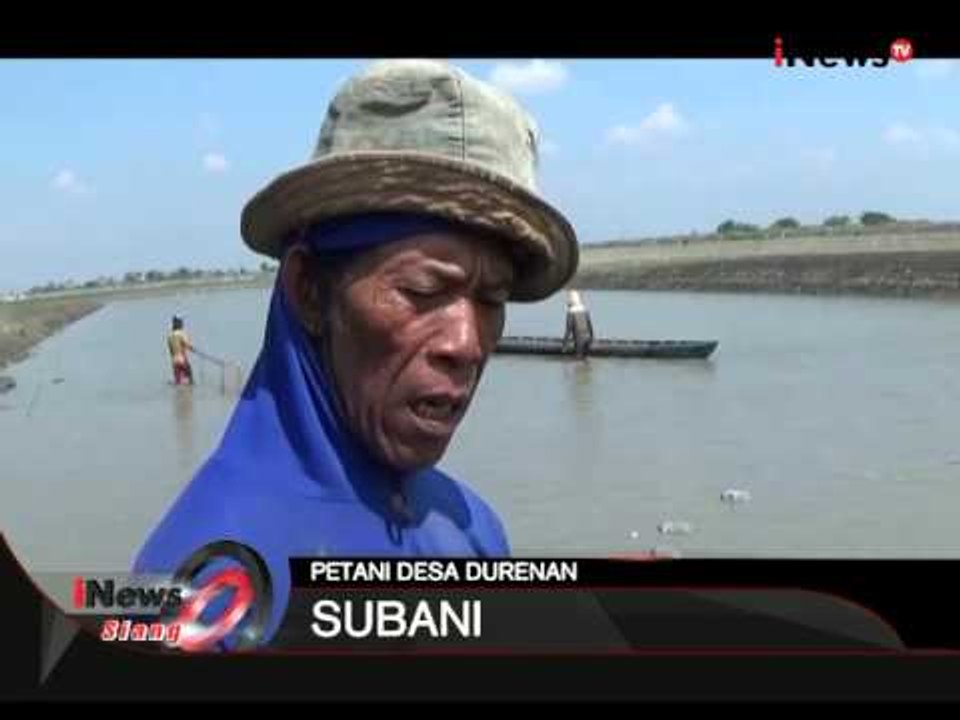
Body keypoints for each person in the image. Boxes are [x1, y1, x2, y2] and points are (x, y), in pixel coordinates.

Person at [134, 59, 579, 648]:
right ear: (310, 291)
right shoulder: (206, 592)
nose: (467, 344)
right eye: (422, 292)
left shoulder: (473, 527)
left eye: (492, 299)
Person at [562, 289, 594, 358]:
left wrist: (564, 344)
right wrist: (592, 338)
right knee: (585, 360)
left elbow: (568, 330)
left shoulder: (571, 312)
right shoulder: (584, 310)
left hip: (579, 340)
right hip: (587, 338)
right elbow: (590, 326)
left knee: (578, 360)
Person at [167, 315, 194, 385]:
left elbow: (171, 350)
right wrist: (191, 348)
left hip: (174, 361)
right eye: (181, 322)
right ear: (179, 323)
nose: (182, 323)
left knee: (178, 382)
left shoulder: (170, 336)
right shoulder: (181, 333)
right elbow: (187, 344)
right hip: (182, 359)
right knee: (190, 379)